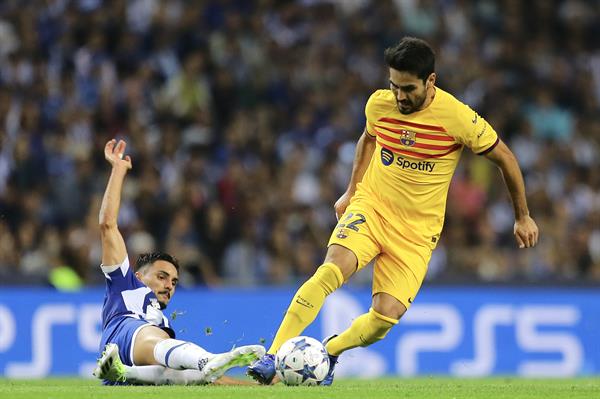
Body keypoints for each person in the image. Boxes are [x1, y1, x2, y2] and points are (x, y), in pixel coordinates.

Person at [248, 37, 539, 385]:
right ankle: (273, 355)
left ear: (430, 81)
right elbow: (368, 138)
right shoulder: (379, 105)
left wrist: (522, 215)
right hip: (372, 207)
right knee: (330, 271)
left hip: (416, 233)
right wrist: (351, 191)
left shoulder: (457, 117)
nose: (399, 96)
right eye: (394, 86)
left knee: (384, 319)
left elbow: (505, 157)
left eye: (408, 88)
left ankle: (330, 351)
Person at [94, 138, 264, 385]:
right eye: (162, 276)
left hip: (130, 368)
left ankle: (122, 372)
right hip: (124, 334)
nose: (169, 285)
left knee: (186, 376)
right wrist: (118, 171)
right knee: (163, 345)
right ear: (140, 276)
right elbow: (107, 224)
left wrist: (259, 387)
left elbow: (212, 380)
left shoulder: (162, 322)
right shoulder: (126, 283)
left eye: (174, 281)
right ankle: (205, 359)